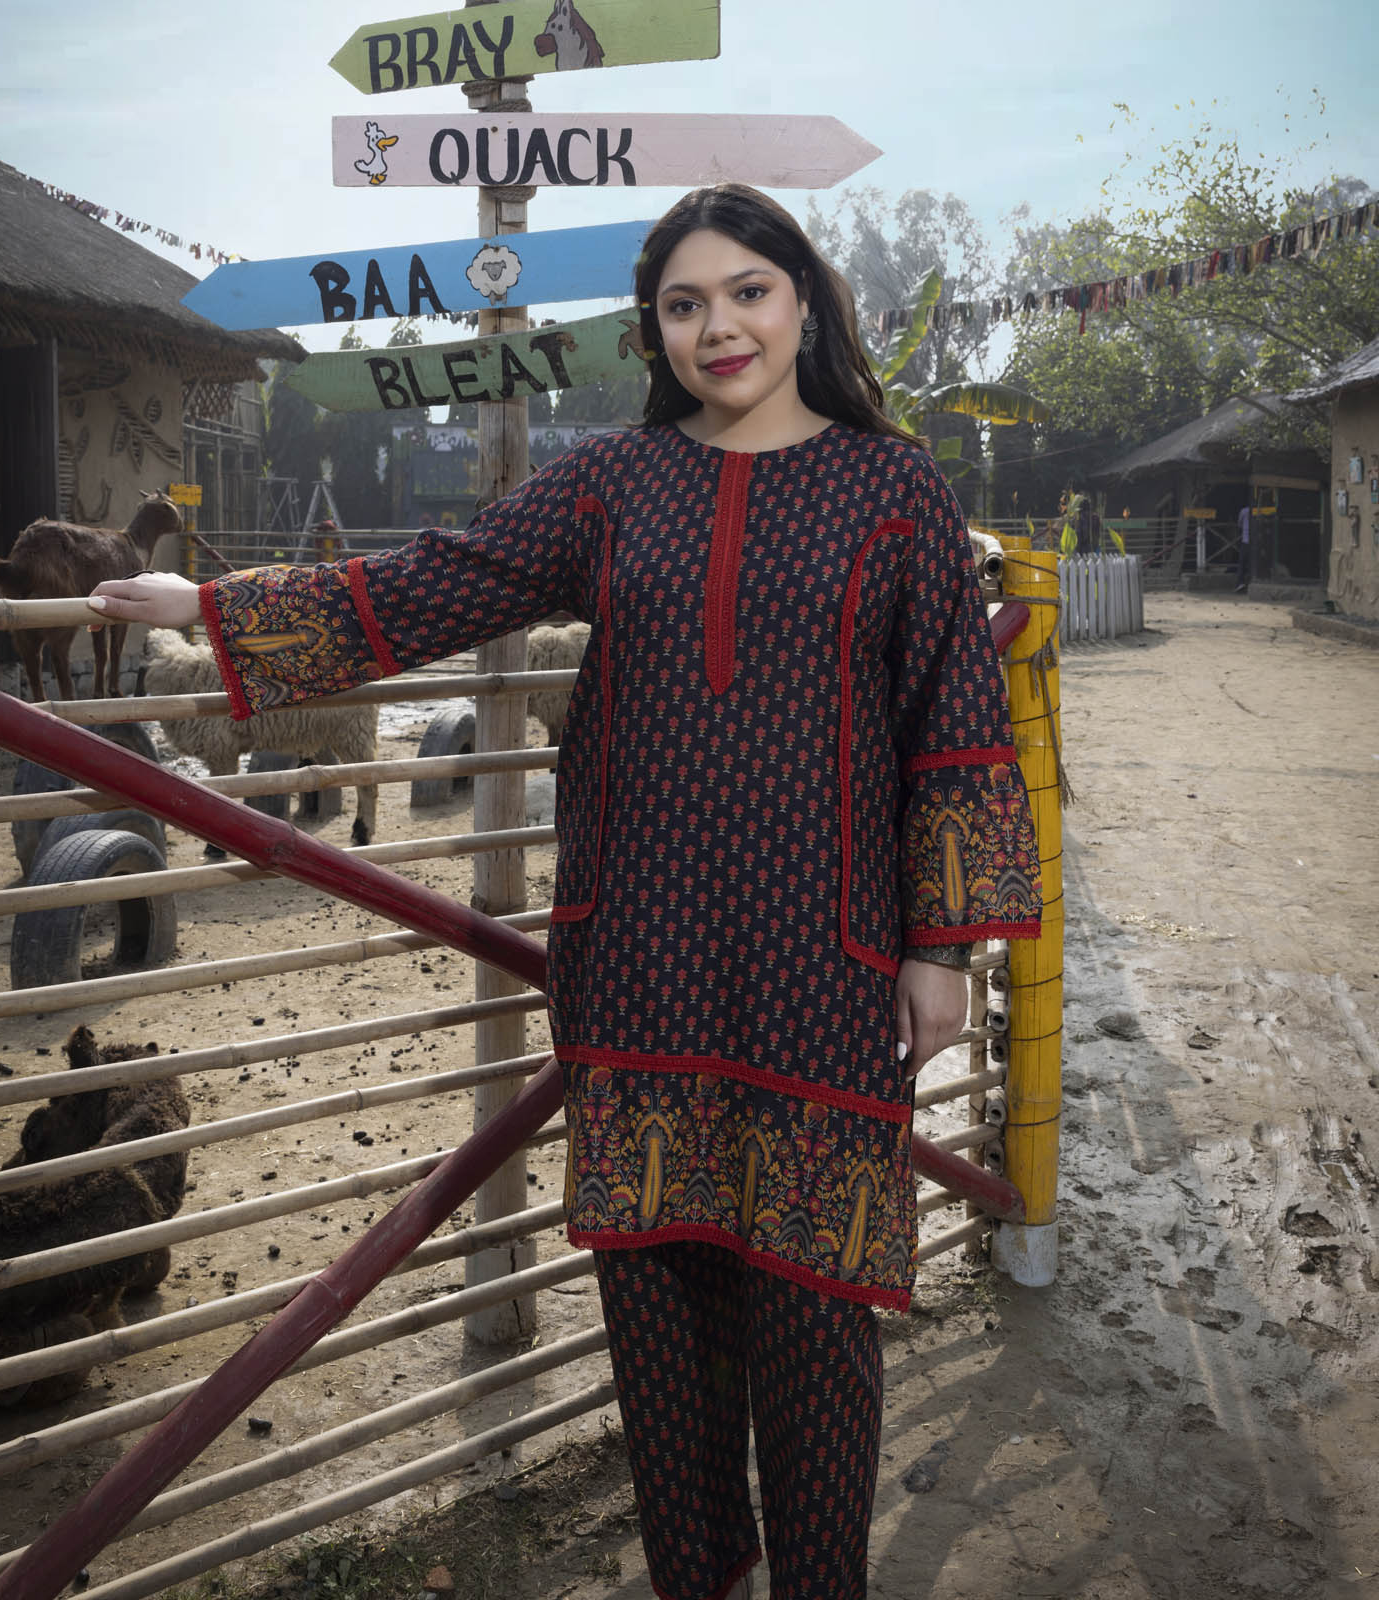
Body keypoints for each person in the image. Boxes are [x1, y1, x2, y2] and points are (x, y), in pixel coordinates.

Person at [91, 184, 1042, 1600]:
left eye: (747, 292)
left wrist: (941, 947)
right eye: (683, 305)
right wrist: (217, 610)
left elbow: (953, 715)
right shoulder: (614, 483)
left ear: (805, 301)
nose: (718, 326)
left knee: (817, 1325)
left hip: (826, 971)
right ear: (654, 333)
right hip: (638, 962)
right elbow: (441, 583)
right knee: (657, 1320)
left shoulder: (892, 485)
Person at [1235, 501, 1253, 592]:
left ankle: (1240, 583)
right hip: (1256, 543)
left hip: (1245, 542)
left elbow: (1239, 525)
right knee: (1252, 565)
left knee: (1242, 564)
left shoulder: (1244, 511)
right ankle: (1250, 584)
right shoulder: (1260, 511)